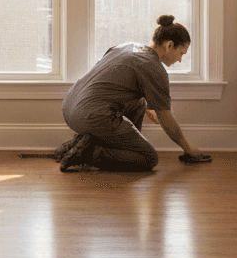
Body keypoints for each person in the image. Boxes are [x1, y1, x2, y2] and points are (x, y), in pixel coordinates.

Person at [53, 15, 212, 172]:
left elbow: (111, 87)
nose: (180, 60)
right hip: (91, 116)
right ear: (169, 45)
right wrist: (189, 149)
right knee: (148, 158)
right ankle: (89, 152)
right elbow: (165, 118)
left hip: (69, 108)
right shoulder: (154, 68)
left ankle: (81, 143)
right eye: (181, 53)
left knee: (139, 102)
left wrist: (159, 112)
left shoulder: (126, 47)